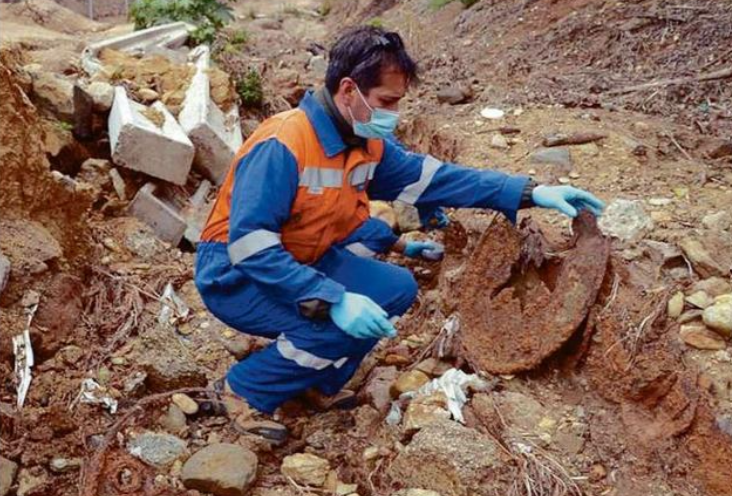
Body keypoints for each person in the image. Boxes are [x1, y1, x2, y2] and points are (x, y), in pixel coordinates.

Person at [195, 26, 604, 444]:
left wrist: (529, 192)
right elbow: (251, 245)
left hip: (301, 257)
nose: (394, 115)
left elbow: (439, 180)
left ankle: (314, 381)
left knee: (395, 288)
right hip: (235, 274)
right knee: (333, 324)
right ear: (349, 90)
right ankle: (247, 388)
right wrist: (333, 299)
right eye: (386, 102)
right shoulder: (284, 143)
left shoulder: (364, 143)